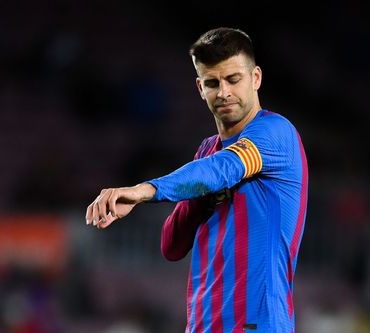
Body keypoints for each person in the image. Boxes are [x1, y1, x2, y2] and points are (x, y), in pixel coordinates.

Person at [86, 27, 308, 333]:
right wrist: (200, 196)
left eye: (234, 79)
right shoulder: (207, 152)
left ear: (255, 78)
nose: (224, 92)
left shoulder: (276, 133)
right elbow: (172, 246)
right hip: (203, 324)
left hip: (259, 324)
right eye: (212, 83)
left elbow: (225, 168)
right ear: (200, 88)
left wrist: (144, 191)